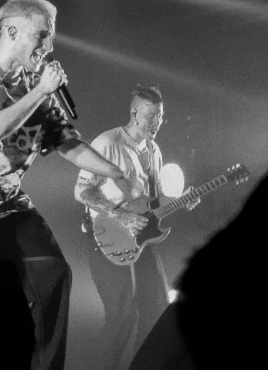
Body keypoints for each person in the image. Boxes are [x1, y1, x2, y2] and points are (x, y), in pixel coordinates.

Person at [0, 0, 128, 370]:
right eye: (41, 36)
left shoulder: (36, 85)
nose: (48, 47)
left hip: (6, 202)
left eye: (51, 38)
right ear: (11, 31)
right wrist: (40, 93)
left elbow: (67, 143)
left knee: (52, 270)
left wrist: (116, 172)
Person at [75, 85, 198, 370]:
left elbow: (152, 203)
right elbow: (84, 191)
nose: (157, 122)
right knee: (122, 318)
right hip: (107, 238)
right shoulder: (107, 144)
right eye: (152, 115)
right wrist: (119, 214)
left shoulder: (154, 150)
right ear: (134, 113)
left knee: (158, 312)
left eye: (161, 116)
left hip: (142, 241)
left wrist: (183, 201)